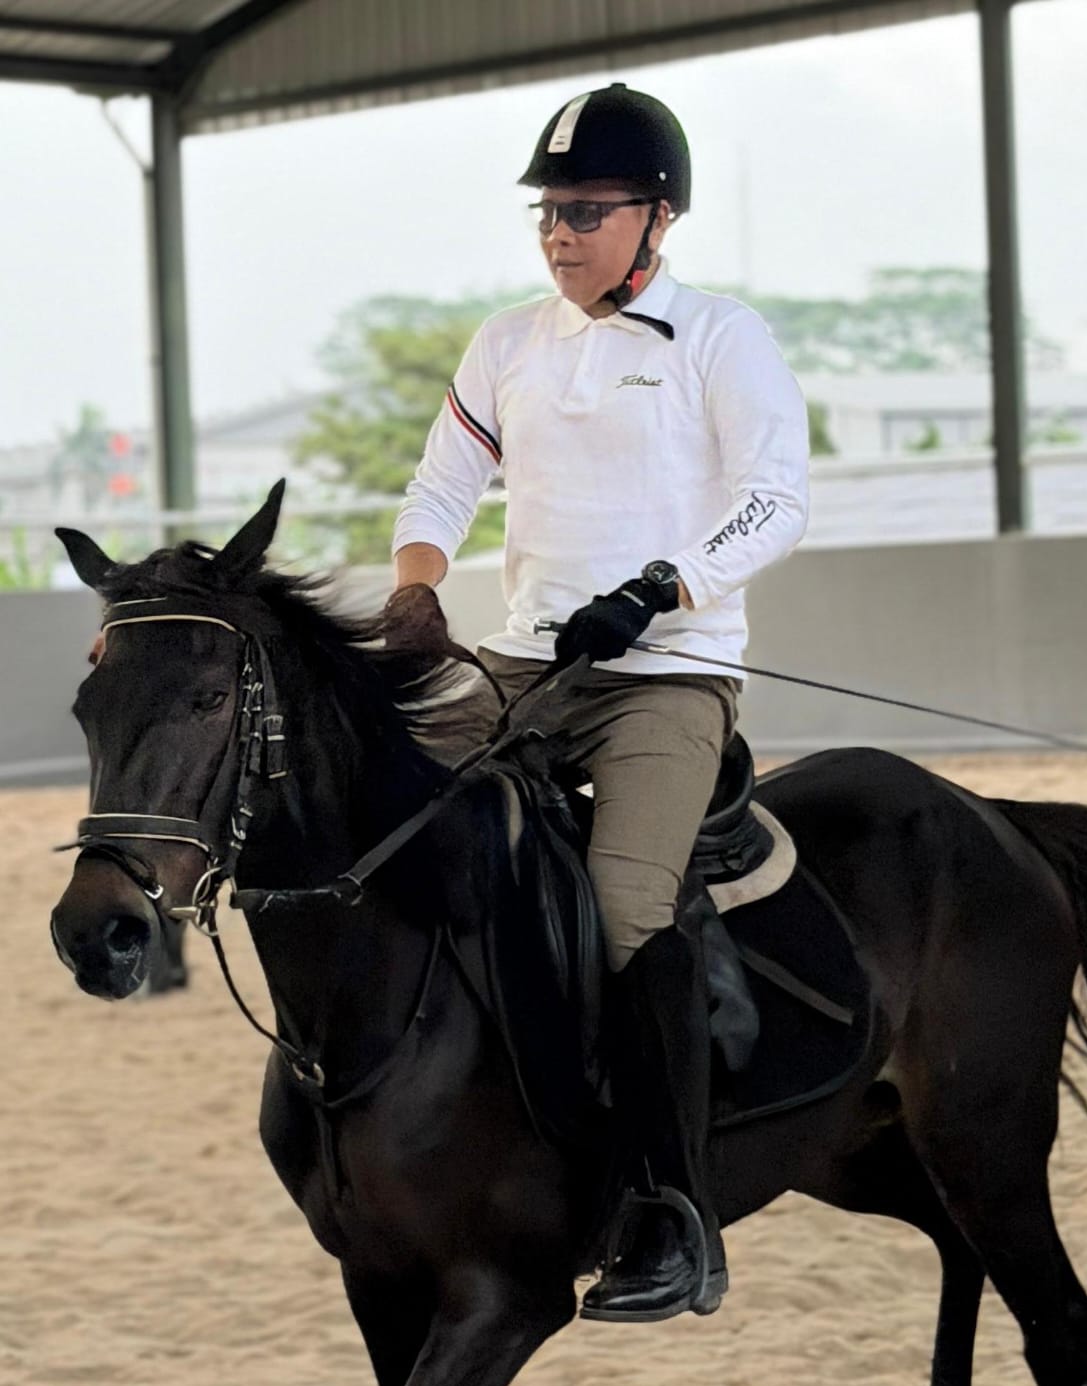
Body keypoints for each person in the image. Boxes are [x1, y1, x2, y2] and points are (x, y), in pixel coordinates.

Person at [391, 82, 810, 1322]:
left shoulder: (724, 338)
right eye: (546, 215)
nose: (559, 236)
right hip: (526, 665)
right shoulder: (509, 342)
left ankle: (675, 1212)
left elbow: (777, 498)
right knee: (396, 838)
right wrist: (417, 590)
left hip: (666, 677)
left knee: (629, 908)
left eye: (585, 212)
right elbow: (443, 477)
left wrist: (663, 586)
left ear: (658, 217)